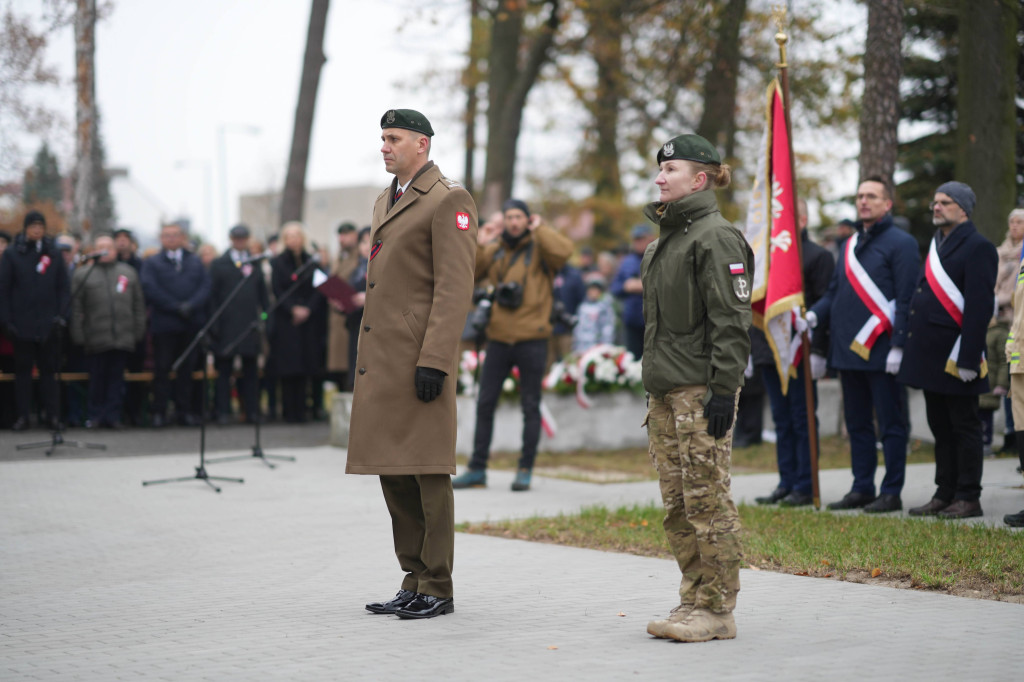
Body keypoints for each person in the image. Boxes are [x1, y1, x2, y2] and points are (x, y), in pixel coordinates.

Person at [346, 108, 477, 620]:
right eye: (382, 138)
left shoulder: (449, 199)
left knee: (427, 472)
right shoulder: (387, 198)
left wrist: (437, 360)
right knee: (393, 471)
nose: (384, 146)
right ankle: (412, 577)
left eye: (393, 138)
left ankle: (437, 585)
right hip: (385, 358)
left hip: (421, 358)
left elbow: (453, 286)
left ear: (421, 144)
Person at [641, 133, 751, 643]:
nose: (659, 178)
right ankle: (692, 598)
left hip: (700, 394)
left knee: (707, 502)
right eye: (659, 170)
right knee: (678, 506)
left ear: (700, 179)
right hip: (665, 394)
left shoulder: (716, 237)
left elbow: (731, 323)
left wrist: (724, 391)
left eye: (671, 171)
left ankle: (718, 608)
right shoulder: (665, 239)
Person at [807, 177, 919, 513]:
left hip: (884, 351)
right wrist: (813, 316)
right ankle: (862, 487)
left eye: (872, 196)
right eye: (859, 196)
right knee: (856, 423)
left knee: (890, 424)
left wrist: (899, 345)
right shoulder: (849, 244)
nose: (864, 201)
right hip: (848, 349)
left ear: (888, 203)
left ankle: (891, 490)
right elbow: (833, 293)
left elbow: (906, 297)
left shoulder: (902, 243)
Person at [452, 197, 573, 492]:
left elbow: (565, 253)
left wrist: (540, 229)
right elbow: (470, 270)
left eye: (520, 217)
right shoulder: (496, 251)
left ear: (528, 219)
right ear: (504, 220)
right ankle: (477, 468)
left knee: (530, 406)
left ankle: (524, 469)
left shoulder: (541, 248)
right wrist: (481, 240)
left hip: (533, 339)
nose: (514, 222)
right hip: (498, 339)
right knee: (485, 403)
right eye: (510, 217)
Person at [898, 183, 996, 518]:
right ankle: (946, 491)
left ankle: (969, 496)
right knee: (939, 426)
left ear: (964, 209)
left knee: (964, 427)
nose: (936, 207)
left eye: (945, 202)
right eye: (935, 201)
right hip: (931, 356)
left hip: (958, 357)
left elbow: (980, 308)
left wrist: (969, 357)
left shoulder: (979, 247)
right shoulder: (938, 244)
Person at [754, 198, 835, 506]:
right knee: (781, 419)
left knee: (802, 418)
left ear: (801, 221)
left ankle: (805, 483)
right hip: (769, 351)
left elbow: (825, 306)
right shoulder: (766, 259)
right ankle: (786, 481)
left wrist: (820, 352)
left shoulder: (819, 257)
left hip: (802, 352)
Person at [0, 211, 70, 431]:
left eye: (40, 225)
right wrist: (7, 320)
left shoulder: (54, 253)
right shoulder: (13, 254)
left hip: (49, 325)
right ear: (25, 228)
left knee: (49, 373)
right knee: (23, 374)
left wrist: (61, 315)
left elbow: (63, 288)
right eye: (33, 226)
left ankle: (52, 416)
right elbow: (4, 290)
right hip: (22, 325)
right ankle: (23, 417)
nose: (37, 230)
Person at [69, 234, 146, 429]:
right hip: (95, 337)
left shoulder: (128, 273)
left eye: (109, 247)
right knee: (97, 380)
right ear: (94, 250)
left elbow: (138, 305)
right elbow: (76, 308)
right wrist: (78, 334)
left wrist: (137, 331)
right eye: (101, 246)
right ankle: (95, 416)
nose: (105, 250)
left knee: (116, 380)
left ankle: (113, 416)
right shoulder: (83, 274)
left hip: (122, 337)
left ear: (115, 250)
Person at [141, 222, 211, 427]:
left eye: (175, 235)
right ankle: (159, 412)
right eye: (166, 235)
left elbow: (205, 286)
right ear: (161, 239)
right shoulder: (153, 262)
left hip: (190, 324)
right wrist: (174, 306)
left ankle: (184, 411)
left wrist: (191, 305)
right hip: (165, 324)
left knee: (187, 371)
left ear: (183, 238)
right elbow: (150, 287)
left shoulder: (195, 261)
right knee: (162, 369)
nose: (171, 239)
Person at [209, 224, 269, 425]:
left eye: (243, 238)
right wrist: (214, 326)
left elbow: (263, 296)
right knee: (224, 372)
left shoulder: (255, 263)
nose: (240, 242)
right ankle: (223, 411)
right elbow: (213, 297)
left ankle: (251, 411)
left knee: (251, 372)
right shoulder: (219, 264)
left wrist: (265, 319)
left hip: (249, 325)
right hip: (226, 327)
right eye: (236, 238)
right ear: (231, 239)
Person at [269, 222, 325, 423]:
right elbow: (278, 290)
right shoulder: (277, 263)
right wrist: (293, 308)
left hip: (308, 322)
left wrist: (307, 309)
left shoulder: (312, 262)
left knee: (304, 364)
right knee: (288, 366)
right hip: (287, 321)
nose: (293, 239)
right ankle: (288, 411)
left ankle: (302, 410)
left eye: (297, 235)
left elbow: (319, 289)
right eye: (289, 236)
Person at [993, 209, 1024, 454]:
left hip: (1016, 318)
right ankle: (1009, 433)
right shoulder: (1000, 252)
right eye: (1011, 221)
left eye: (1020, 222)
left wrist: (1000, 298)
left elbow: (1015, 293)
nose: (1015, 226)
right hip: (1001, 322)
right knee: (1005, 381)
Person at [611, 224, 656, 359]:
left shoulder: (660, 257)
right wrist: (626, 287)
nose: (637, 242)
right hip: (632, 321)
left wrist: (645, 285)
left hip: (655, 322)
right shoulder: (627, 261)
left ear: (651, 238)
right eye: (635, 239)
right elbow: (614, 288)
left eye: (641, 238)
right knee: (633, 362)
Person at [326, 222, 360, 391]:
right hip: (337, 313)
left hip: (352, 312)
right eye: (340, 235)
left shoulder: (358, 257)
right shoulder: (339, 257)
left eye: (346, 234)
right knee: (340, 363)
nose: (342, 239)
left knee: (351, 360)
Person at [343, 227, 371, 381]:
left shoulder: (383, 267)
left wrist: (368, 298)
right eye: (363, 242)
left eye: (370, 240)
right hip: (355, 324)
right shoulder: (356, 270)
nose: (366, 246)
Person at [572, 278, 616, 352]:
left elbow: (608, 327)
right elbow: (578, 326)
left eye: (596, 290)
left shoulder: (605, 307)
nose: (593, 292)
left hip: (598, 345)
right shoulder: (582, 307)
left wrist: (605, 345)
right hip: (582, 345)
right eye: (591, 289)